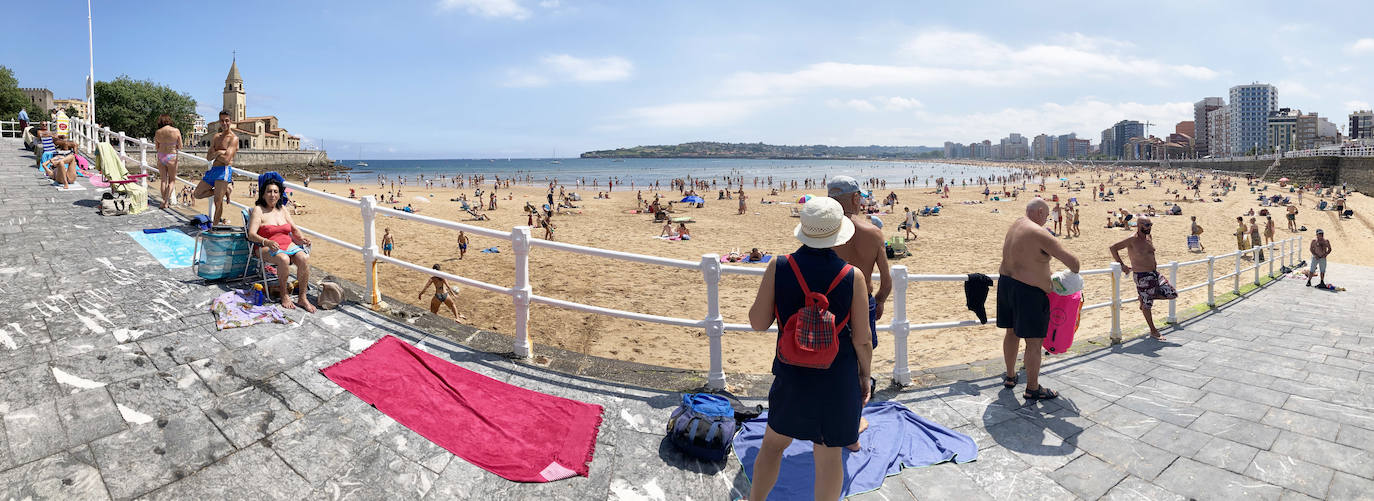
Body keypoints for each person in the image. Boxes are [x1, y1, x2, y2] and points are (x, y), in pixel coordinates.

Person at [746, 196, 871, 501]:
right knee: (828, 457)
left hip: (792, 375)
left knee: (772, 446)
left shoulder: (779, 266)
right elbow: (862, 339)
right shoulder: (852, 276)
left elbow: (758, 322)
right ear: (838, 233)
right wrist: (864, 376)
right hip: (836, 377)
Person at [828, 176, 890, 447]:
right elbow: (886, 280)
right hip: (863, 301)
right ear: (855, 198)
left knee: (831, 359)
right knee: (861, 363)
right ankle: (851, 426)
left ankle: (832, 418)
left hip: (831, 303)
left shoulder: (824, 230)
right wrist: (880, 300)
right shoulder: (873, 232)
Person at [998, 199, 1079, 400]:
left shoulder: (1016, 224)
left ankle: (1010, 376)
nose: (1047, 219)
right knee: (1034, 342)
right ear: (1040, 211)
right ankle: (1032, 388)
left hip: (1006, 284)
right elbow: (1074, 264)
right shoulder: (1039, 233)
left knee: (1011, 333)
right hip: (1028, 292)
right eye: (1047, 215)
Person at [246, 175, 316, 312]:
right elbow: (251, 234)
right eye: (269, 191)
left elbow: (294, 229)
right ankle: (284, 294)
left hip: (287, 244)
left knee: (304, 258)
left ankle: (302, 297)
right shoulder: (258, 210)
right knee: (283, 259)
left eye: (275, 192)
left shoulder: (283, 209)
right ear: (263, 194)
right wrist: (267, 241)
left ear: (279, 195)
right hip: (265, 246)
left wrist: (302, 238)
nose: (272, 195)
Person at [1110, 216, 1176, 341]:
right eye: (1147, 225)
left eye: (1151, 225)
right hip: (1142, 276)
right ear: (1139, 225)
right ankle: (1153, 331)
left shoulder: (1149, 237)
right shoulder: (1132, 239)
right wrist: (1122, 265)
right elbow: (1113, 248)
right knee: (1148, 305)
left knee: (1172, 293)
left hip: (1154, 273)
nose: (1149, 227)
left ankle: (1143, 298)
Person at [193, 111, 237, 224]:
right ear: (219, 121)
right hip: (213, 169)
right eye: (222, 120)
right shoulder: (216, 137)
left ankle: (215, 227)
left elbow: (227, 160)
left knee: (218, 201)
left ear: (231, 121)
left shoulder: (233, 138)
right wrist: (220, 152)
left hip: (223, 170)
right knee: (197, 194)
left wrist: (215, 153)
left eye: (227, 120)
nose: (224, 123)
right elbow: (209, 157)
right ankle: (225, 190)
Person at [153, 114, 182, 209]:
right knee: (172, 180)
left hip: (161, 156)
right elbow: (180, 146)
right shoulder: (176, 131)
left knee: (163, 180)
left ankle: (164, 201)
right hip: (171, 156)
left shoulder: (158, 132)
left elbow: (157, 147)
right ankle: (165, 202)